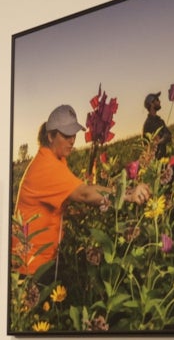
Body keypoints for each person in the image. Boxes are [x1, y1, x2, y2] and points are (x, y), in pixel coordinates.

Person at [12, 104, 151, 276]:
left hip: (41, 260)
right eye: (66, 135)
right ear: (50, 136)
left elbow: (79, 192)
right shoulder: (47, 166)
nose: (72, 140)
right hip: (31, 267)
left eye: (74, 134)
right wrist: (128, 196)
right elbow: (85, 193)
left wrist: (124, 192)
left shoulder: (55, 159)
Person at [142, 91, 170, 158]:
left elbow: (169, 136)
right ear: (151, 103)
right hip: (156, 162)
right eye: (157, 100)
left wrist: (164, 138)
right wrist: (161, 140)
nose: (159, 101)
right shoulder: (147, 124)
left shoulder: (160, 121)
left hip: (164, 158)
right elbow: (146, 147)